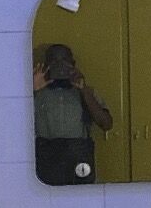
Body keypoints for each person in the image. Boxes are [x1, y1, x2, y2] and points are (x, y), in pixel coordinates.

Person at [33, 43, 113, 184]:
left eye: (64, 60)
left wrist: (84, 91)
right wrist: (32, 89)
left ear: (73, 64)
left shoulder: (86, 92)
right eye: (54, 60)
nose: (60, 65)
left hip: (78, 157)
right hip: (46, 157)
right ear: (46, 65)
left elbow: (106, 124)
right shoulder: (35, 93)